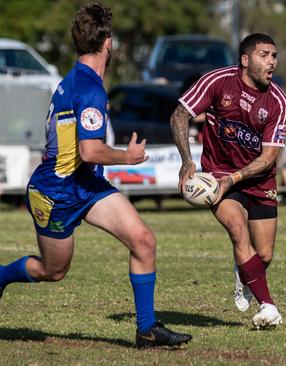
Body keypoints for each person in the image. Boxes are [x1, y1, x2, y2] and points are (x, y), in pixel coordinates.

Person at [0, 3, 192, 348]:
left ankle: (147, 329)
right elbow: (90, 150)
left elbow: (84, 156)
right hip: (56, 192)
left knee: (143, 240)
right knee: (53, 271)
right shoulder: (88, 88)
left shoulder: (77, 79)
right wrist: (128, 157)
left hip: (87, 184)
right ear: (109, 44)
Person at [170, 33, 286, 329]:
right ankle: (268, 307)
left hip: (258, 180)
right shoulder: (217, 82)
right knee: (238, 231)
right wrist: (187, 159)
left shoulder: (278, 101)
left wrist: (236, 177)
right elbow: (179, 115)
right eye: (264, 55)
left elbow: (268, 157)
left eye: (274, 55)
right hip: (217, 174)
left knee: (264, 254)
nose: (271, 62)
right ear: (245, 59)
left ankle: (244, 273)